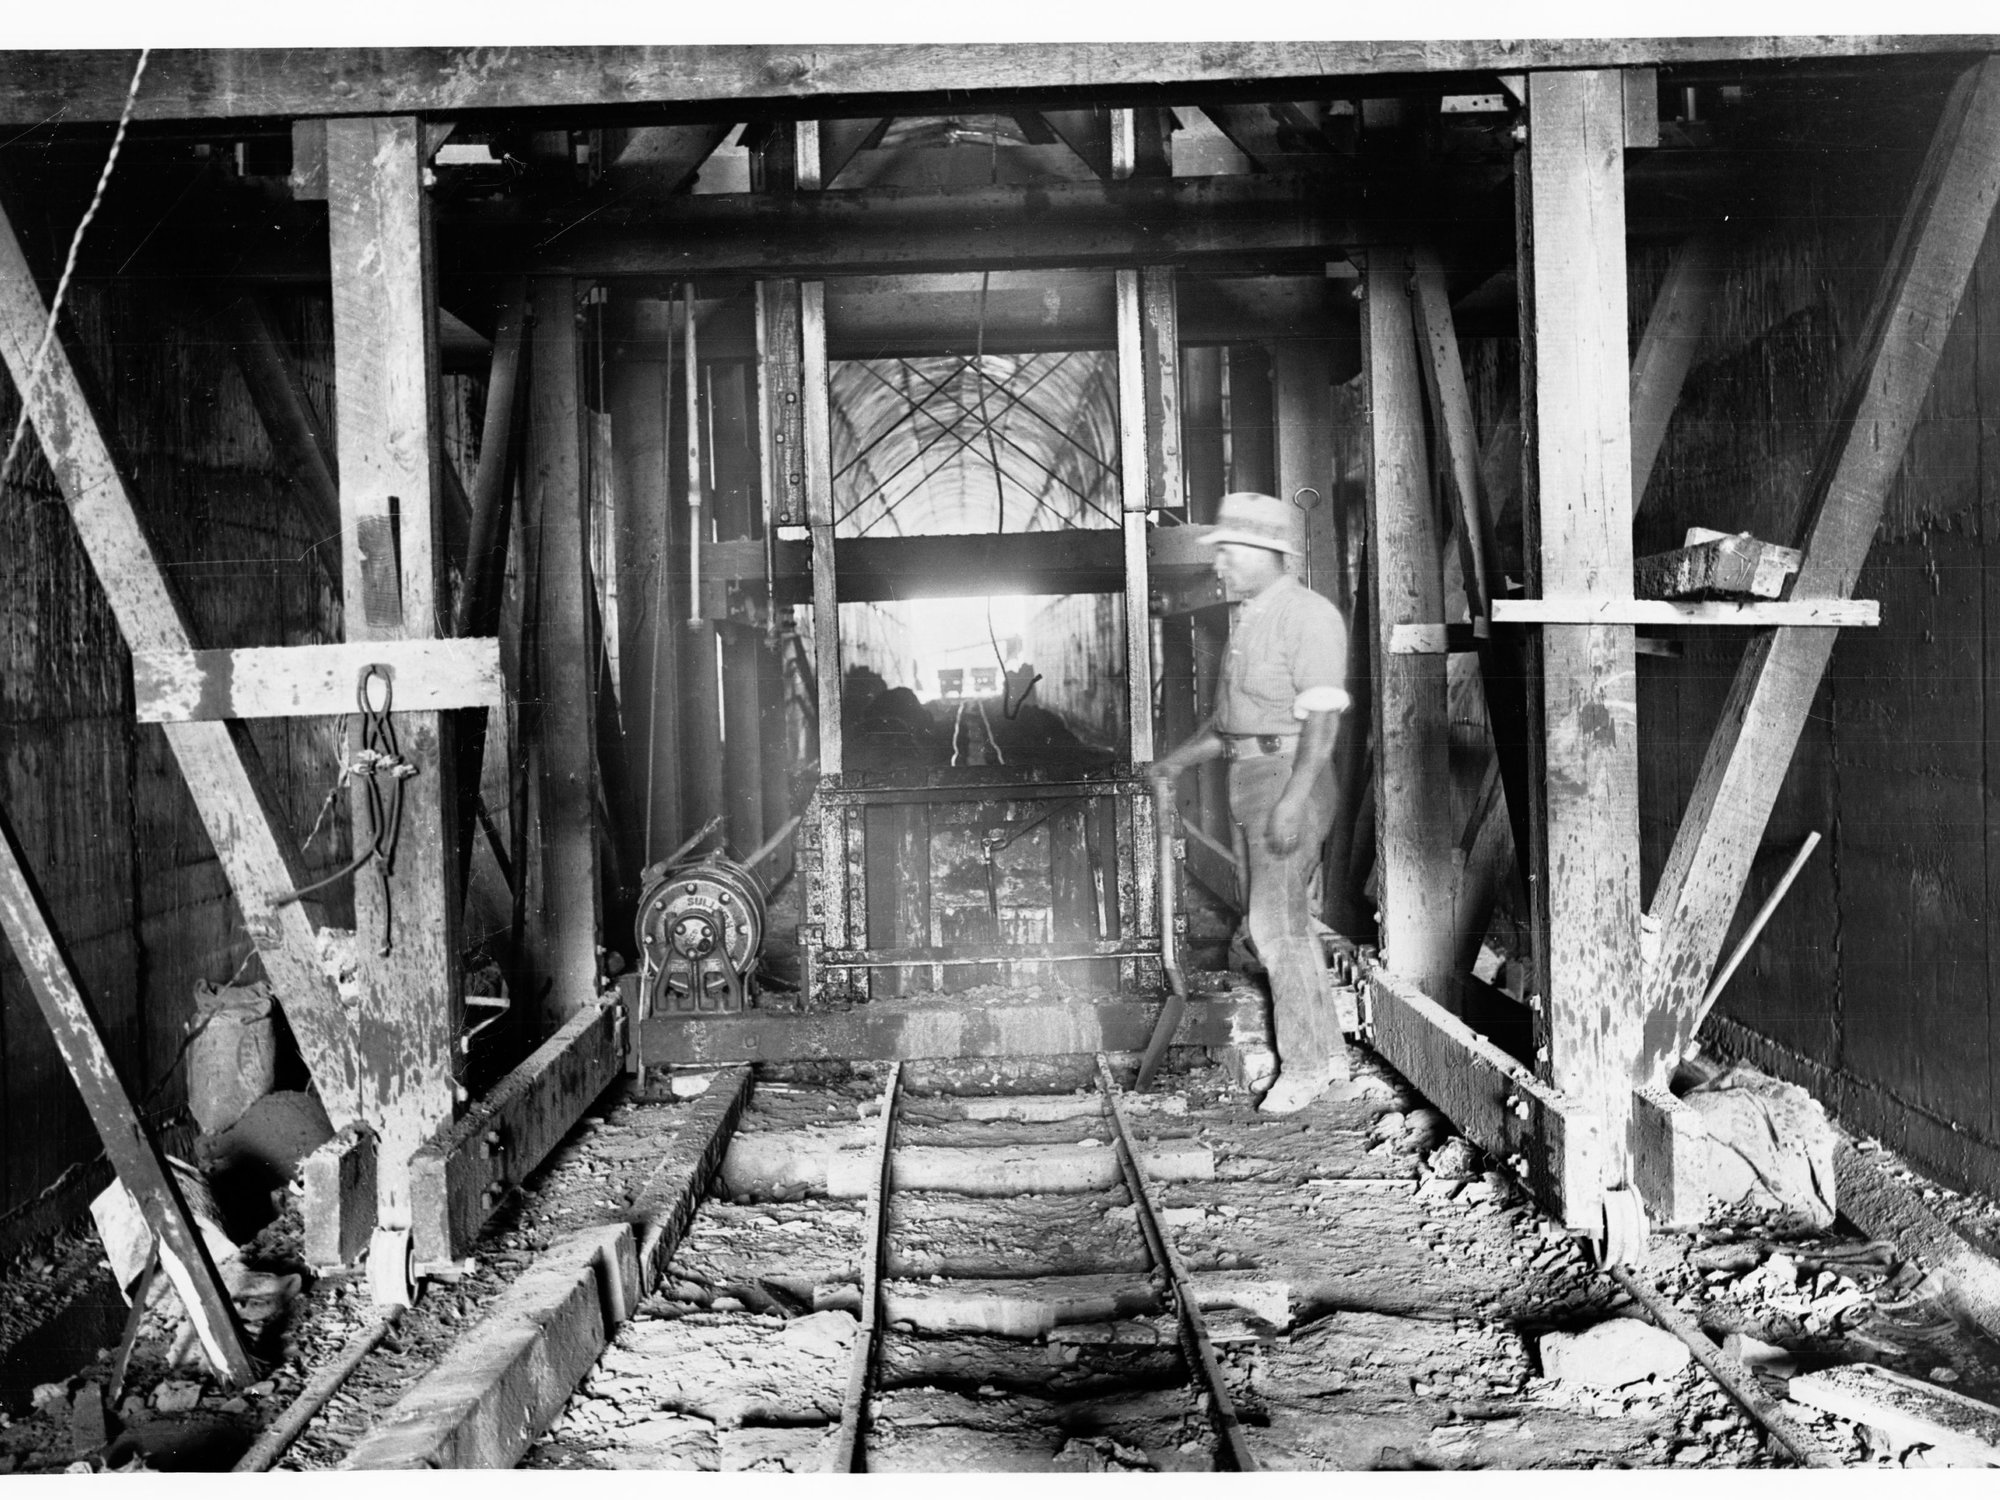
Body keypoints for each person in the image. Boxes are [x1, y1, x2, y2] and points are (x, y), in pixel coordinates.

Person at [1149, 491, 1354, 1113]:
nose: (1219, 565)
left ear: (1268, 553)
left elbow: (1321, 724)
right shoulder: (1250, 618)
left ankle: (1305, 1068)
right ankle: (1330, 1055)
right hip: (1253, 777)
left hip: (1288, 777)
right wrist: (1173, 762)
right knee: (1286, 922)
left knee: (1273, 926)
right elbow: (1231, 724)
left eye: (1229, 552)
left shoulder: (1308, 616)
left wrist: (1292, 801)